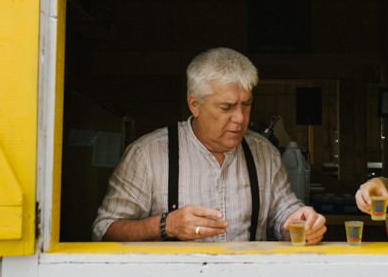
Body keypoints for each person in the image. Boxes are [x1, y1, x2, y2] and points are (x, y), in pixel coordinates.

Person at [92, 47, 327, 244]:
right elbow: (105, 231)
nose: (240, 118)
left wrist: (301, 224)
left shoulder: (264, 153)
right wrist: (165, 225)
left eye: (246, 104)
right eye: (227, 107)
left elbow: (283, 216)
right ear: (195, 105)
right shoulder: (147, 155)